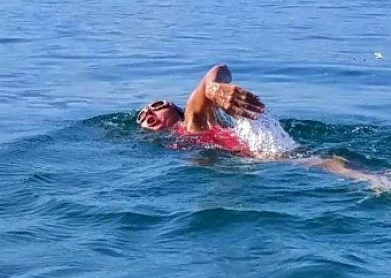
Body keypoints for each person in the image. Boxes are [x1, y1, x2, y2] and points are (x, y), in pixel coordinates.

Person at [137, 64, 391, 189]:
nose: (148, 112)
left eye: (156, 105)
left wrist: (214, 90)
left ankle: (376, 180)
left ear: (175, 109)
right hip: (258, 170)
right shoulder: (172, 146)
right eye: (142, 115)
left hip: (267, 160)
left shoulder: (194, 123)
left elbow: (217, 71)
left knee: (319, 162)